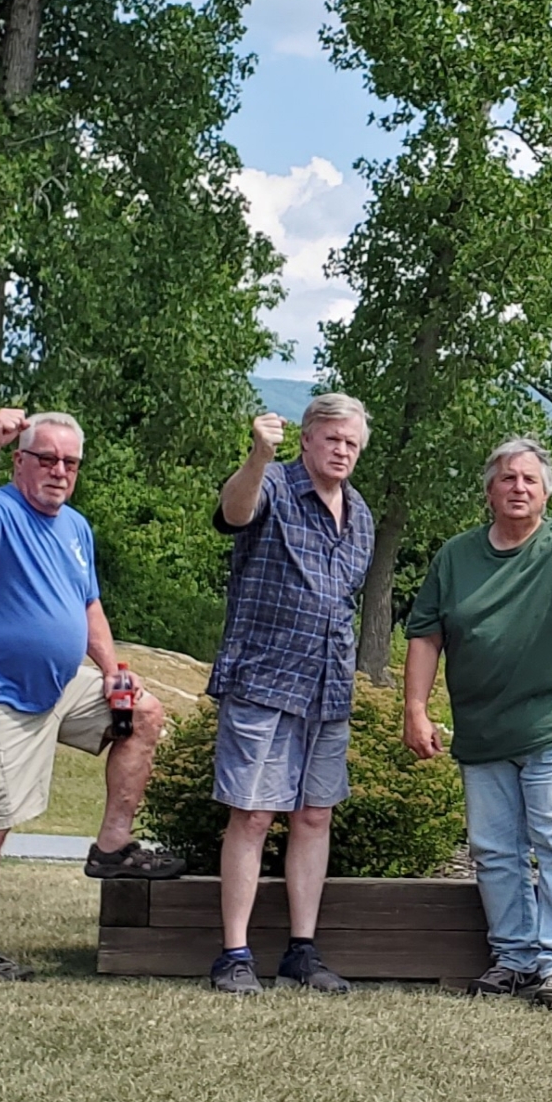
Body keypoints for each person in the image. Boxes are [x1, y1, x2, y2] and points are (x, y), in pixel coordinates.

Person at [0, 407, 183, 981]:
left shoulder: (75, 528)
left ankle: (112, 848)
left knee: (142, 712)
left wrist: (112, 670)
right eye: (46, 459)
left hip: (56, 687)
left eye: (70, 462)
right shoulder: (0, 510)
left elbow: (87, 604)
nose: (59, 471)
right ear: (19, 463)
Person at [403, 439, 552, 1010]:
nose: (518, 487)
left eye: (530, 479)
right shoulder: (456, 557)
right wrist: (415, 708)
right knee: (493, 850)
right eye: (508, 478)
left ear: (547, 492)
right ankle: (513, 957)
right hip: (483, 726)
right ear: (489, 490)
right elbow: (426, 634)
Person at [205, 394, 374, 998]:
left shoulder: (360, 514)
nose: (342, 451)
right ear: (306, 439)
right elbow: (233, 513)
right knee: (252, 815)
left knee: (314, 815)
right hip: (264, 681)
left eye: (352, 443)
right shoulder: (272, 484)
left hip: (329, 689)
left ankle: (302, 951)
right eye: (332, 439)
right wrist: (258, 454)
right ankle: (234, 954)